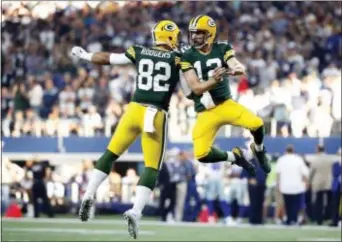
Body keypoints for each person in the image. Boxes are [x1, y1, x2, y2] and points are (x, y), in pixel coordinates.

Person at [71, 20, 227, 239]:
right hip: (156, 114)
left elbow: (109, 58)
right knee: (152, 167)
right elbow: (189, 92)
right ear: (170, 37)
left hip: (134, 110)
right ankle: (136, 211)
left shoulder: (139, 51)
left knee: (111, 153)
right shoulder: (178, 59)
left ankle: (88, 193)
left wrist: (86, 55)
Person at [179, 15, 270, 175]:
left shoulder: (222, 48)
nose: (194, 36)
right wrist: (214, 80)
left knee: (257, 124)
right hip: (205, 112)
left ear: (209, 34)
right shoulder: (187, 56)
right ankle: (235, 157)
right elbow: (196, 89)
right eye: (193, 33)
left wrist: (235, 68)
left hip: (225, 104)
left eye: (199, 33)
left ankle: (259, 149)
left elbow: (236, 64)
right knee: (201, 154)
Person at [275, 145, 309, 225]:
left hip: (285, 186)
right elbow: (305, 173)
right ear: (293, 151)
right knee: (296, 204)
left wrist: (278, 185)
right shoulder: (298, 159)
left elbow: (278, 174)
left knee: (287, 204)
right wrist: (306, 183)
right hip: (297, 186)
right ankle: (294, 219)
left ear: (285, 151)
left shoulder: (281, 159)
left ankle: (289, 219)